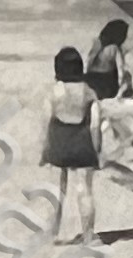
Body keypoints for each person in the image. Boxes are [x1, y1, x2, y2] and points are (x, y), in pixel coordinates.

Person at [40, 44, 102, 244]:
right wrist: (96, 149)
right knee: (85, 189)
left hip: (59, 138)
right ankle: (88, 234)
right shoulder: (88, 92)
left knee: (57, 190)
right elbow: (95, 124)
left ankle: (51, 233)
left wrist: (44, 149)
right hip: (81, 139)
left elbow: (46, 122)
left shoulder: (53, 91)